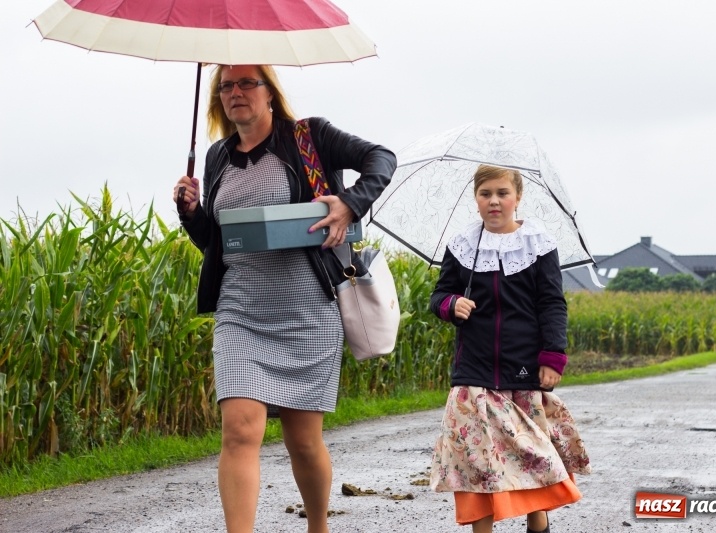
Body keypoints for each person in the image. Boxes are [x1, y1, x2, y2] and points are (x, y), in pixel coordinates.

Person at [172, 64, 396, 533]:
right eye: (226, 85)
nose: (235, 92)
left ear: (269, 92)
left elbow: (381, 157)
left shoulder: (308, 136)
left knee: (303, 442)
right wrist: (191, 213)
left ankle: (318, 526)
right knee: (239, 431)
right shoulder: (216, 157)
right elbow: (218, 241)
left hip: (306, 312)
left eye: (246, 83)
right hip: (241, 310)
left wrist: (351, 201)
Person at [428, 164, 591, 533]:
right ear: (476, 199)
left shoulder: (538, 245)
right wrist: (451, 304)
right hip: (473, 370)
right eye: (486, 194)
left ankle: (539, 523)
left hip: (524, 370)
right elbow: (438, 296)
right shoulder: (463, 247)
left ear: (518, 197)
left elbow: (552, 303)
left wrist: (552, 356)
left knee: (533, 456)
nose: (494, 201)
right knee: (475, 460)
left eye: (502, 193)